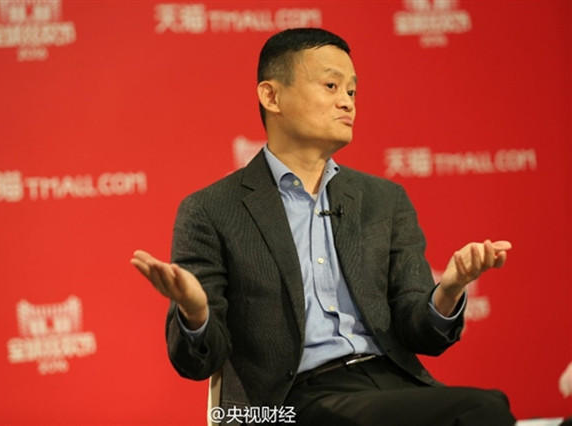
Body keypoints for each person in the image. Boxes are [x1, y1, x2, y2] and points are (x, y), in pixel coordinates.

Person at [132, 28, 516, 425]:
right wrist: (196, 313)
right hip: (287, 402)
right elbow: (196, 362)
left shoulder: (384, 199)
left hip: (391, 385)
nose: (347, 102)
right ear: (272, 96)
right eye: (331, 86)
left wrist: (448, 292)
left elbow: (421, 334)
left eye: (352, 91)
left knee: (489, 410)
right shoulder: (212, 210)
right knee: (482, 410)